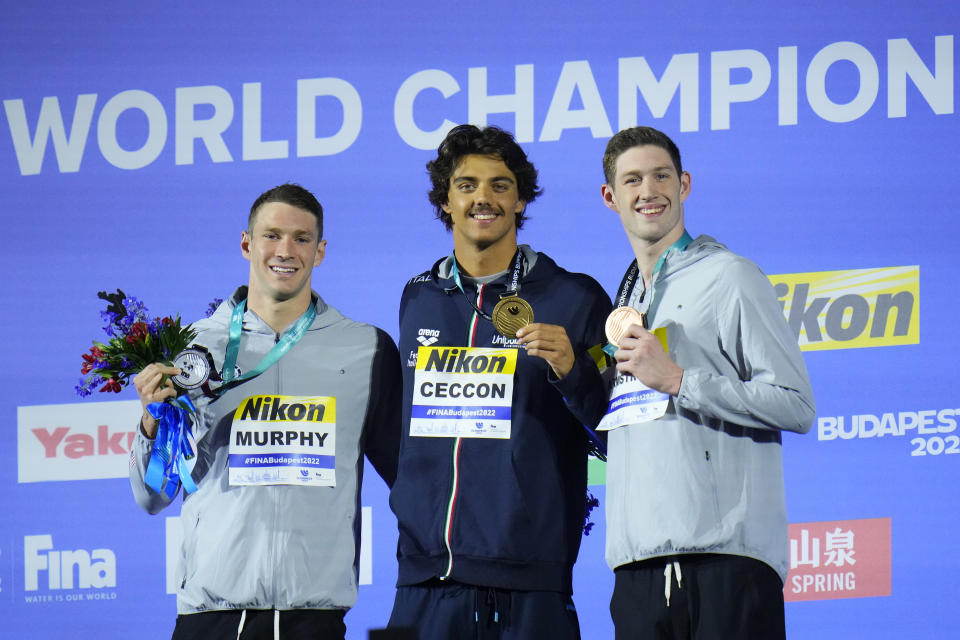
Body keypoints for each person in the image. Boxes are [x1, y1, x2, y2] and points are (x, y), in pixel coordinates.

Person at [129, 183, 401, 640]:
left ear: (320, 252)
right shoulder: (190, 349)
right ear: (246, 243)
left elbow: (410, 479)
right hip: (209, 616)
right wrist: (152, 422)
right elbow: (152, 496)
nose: (285, 250)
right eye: (272, 235)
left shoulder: (365, 349)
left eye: (301, 238)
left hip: (314, 617)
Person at [387, 125, 612, 639]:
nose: (482, 198)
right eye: (466, 185)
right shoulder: (417, 298)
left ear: (521, 198)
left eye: (500, 185)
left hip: (530, 584)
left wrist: (573, 374)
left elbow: (615, 434)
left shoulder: (575, 298)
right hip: (423, 581)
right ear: (445, 201)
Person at [598, 126, 816, 639]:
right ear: (611, 197)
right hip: (637, 570)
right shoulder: (624, 302)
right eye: (632, 180)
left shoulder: (731, 276)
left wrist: (679, 380)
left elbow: (796, 404)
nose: (648, 191)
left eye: (661, 176)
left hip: (724, 564)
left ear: (685, 184)